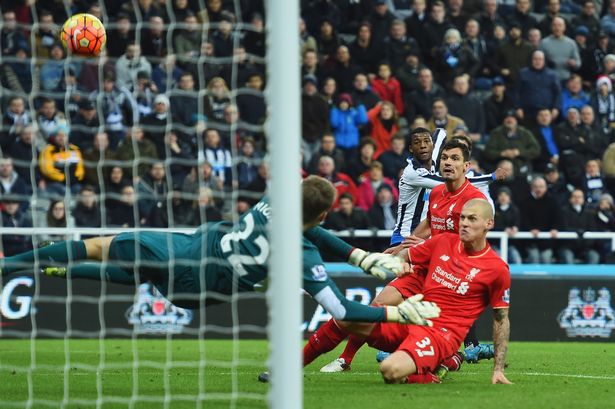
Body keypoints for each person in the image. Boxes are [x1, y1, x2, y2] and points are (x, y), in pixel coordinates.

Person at [0, 176, 430, 329]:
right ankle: (60, 273)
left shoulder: (275, 197)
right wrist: (396, 312)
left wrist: (359, 257)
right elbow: (341, 309)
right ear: (320, 216)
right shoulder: (299, 253)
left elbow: (307, 227)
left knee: (100, 246)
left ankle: (13, 263)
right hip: (197, 287)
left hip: (190, 252)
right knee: (134, 270)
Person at [321, 138, 492, 374]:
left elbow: (472, 242)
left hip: (451, 276)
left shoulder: (474, 200)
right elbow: (431, 221)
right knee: (377, 305)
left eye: (454, 158)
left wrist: (424, 246)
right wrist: (405, 244)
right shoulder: (438, 192)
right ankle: (344, 359)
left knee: (429, 339)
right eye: (444, 158)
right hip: (423, 268)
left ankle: (450, 357)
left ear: (466, 166)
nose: (448, 163)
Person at [305, 199, 511, 385]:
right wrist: (400, 263)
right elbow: (407, 255)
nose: (464, 223)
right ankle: (287, 370)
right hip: (412, 319)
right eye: (463, 218)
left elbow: (501, 319)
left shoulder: (496, 268)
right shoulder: (444, 241)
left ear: (488, 224)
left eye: (472, 219)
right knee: (345, 318)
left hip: (440, 336)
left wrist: (498, 369)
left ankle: (429, 371)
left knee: (389, 369)